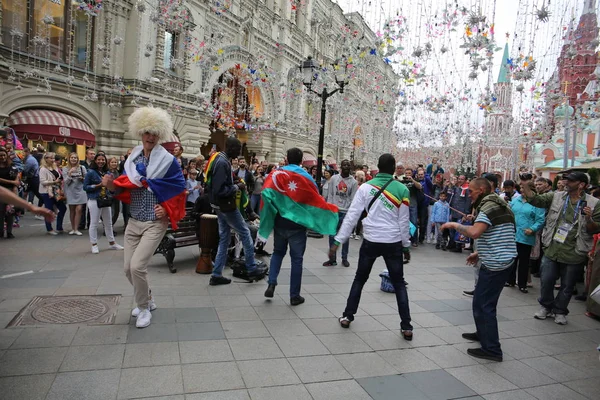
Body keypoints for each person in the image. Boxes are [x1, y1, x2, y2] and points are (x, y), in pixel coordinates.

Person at [105, 106, 187, 329]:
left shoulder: (168, 160)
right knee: (127, 268)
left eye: (154, 133)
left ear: (160, 135)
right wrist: (112, 187)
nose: (150, 137)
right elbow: (126, 184)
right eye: (146, 132)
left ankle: (143, 309)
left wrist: (165, 206)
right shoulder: (132, 158)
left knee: (137, 267)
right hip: (133, 221)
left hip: (154, 222)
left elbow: (180, 187)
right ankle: (148, 300)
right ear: (140, 132)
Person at [332, 154, 413, 339]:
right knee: (399, 283)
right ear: (393, 168)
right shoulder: (401, 189)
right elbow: (404, 221)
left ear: (377, 166)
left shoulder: (365, 187)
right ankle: (407, 326)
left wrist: (339, 240)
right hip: (392, 242)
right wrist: (406, 246)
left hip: (370, 240)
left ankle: (347, 316)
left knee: (359, 279)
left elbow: (352, 215)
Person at [442, 178, 517, 362]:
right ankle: (482, 333)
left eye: (472, 192)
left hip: (496, 263)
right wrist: (478, 252)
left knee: (484, 305)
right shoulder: (497, 204)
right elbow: (498, 233)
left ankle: (492, 349)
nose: (470, 195)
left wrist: (453, 225)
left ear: (481, 190)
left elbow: (475, 232)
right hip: (499, 258)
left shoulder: (489, 205)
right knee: (481, 303)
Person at [259, 148, 339, 305]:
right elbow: (314, 198)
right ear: (302, 161)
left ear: (287, 159)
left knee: (277, 253)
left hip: (280, 222)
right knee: (297, 259)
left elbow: (266, 193)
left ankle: (272, 282)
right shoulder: (306, 177)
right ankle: (294, 295)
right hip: (297, 225)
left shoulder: (275, 174)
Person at [520, 172, 600, 325]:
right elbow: (536, 200)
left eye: (570, 180)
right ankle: (546, 306)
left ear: (581, 184)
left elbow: (595, 229)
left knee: (567, 285)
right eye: (565, 179)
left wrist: (589, 218)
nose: (564, 182)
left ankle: (560, 311)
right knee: (547, 280)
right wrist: (525, 184)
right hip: (553, 247)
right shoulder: (556, 196)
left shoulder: (594, 203)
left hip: (575, 250)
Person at [205, 137, 267, 285]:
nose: (239, 153)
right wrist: (237, 187)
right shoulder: (222, 162)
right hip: (226, 206)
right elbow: (221, 189)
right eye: (238, 150)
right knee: (245, 232)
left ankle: (216, 274)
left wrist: (234, 182)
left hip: (219, 206)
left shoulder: (220, 158)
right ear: (231, 148)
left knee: (225, 238)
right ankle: (251, 268)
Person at [506, 182, 545, 293]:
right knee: (512, 258)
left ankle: (522, 284)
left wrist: (532, 229)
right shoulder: (515, 201)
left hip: (526, 235)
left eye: (525, 188)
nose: (522, 190)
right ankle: (510, 280)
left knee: (523, 261)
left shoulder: (536, 203)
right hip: (513, 233)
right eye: (521, 188)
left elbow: (540, 220)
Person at [83, 153, 123, 254]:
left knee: (108, 223)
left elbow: (111, 186)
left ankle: (112, 243)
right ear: (95, 161)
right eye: (99, 160)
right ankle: (94, 244)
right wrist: (98, 185)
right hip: (94, 200)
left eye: (103, 160)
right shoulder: (90, 172)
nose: (101, 161)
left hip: (106, 199)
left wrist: (111, 188)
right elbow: (85, 187)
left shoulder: (107, 172)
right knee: (94, 223)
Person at [323, 159, 358, 267]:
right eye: (344, 165)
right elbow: (330, 194)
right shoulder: (334, 179)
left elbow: (353, 199)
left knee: (345, 236)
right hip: (334, 210)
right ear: (341, 167)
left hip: (345, 212)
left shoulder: (353, 182)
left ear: (350, 168)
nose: (346, 166)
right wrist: (329, 208)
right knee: (332, 234)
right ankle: (332, 259)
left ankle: (344, 258)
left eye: (348, 165)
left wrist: (350, 212)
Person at [39, 152, 67, 235]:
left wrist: (59, 180)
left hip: (56, 191)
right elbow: (43, 182)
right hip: (47, 192)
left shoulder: (55, 167)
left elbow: (58, 177)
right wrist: (54, 181)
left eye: (53, 158)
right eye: (50, 158)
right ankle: (49, 229)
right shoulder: (43, 169)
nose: (53, 160)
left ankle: (59, 227)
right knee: (49, 210)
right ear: (46, 159)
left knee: (63, 208)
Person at [62, 153, 87, 236]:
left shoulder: (82, 167)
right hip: (70, 191)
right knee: (72, 210)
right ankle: (73, 228)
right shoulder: (65, 169)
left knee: (79, 209)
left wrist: (82, 178)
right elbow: (66, 182)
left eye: (75, 158)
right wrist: (70, 174)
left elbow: (86, 180)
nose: (74, 159)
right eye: (72, 158)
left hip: (80, 190)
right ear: (69, 159)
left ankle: (76, 228)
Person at [447, 175, 471, 252]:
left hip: (461, 213)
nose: (460, 180)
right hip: (454, 211)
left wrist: (466, 214)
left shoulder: (467, 189)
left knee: (459, 230)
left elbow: (468, 202)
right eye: (459, 179)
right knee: (452, 229)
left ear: (465, 180)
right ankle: (452, 243)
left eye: (462, 179)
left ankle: (458, 246)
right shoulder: (456, 188)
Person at [0, 147, 20, 238]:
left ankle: (9, 232)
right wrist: (12, 182)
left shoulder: (11, 166)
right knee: (1, 212)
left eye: (4, 155)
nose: (2, 157)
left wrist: (15, 186)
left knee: (10, 212)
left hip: (11, 191)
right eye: (0, 155)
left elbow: (17, 177)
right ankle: (0, 232)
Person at [402, 168, 422, 246]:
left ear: (412, 174)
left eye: (409, 173)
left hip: (413, 203)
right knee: (404, 222)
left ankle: (414, 240)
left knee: (413, 222)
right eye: (406, 173)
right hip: (404, 204)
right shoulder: (402, 181)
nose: (408, 175)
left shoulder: (415, 180)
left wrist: (412, 180)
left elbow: (420, 186)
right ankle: (405, 239)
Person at [79, 148, 96, 231]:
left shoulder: (95, 164)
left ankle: (90, 224)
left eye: (93, 154)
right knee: (82, 207)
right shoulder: (82, 164)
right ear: (86, 155)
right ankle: (81, 224)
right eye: (91, 154)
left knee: (91, 207)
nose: (93, 155)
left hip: (92, 188)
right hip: (82, 187)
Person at [416, 168, 433, 244]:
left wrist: (426, 174)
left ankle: (421, 238)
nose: (420, 176)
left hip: (423, 205)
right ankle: (414, 237)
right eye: (419, 174)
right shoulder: (415, 181)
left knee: (423, 223)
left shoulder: (426, 182)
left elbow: (430, 183)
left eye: (422, 174)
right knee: (414, 222)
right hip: (416, 204)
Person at [108, 157, 121, 227]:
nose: (114, 164)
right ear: (109, 163)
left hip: (117, 195)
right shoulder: (107, 172)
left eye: (115, 162)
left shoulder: (118, 172)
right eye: (112, 162)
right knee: (109, 212)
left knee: (116, 211)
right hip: (109, 195)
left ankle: (111, 226)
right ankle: (108, 227)